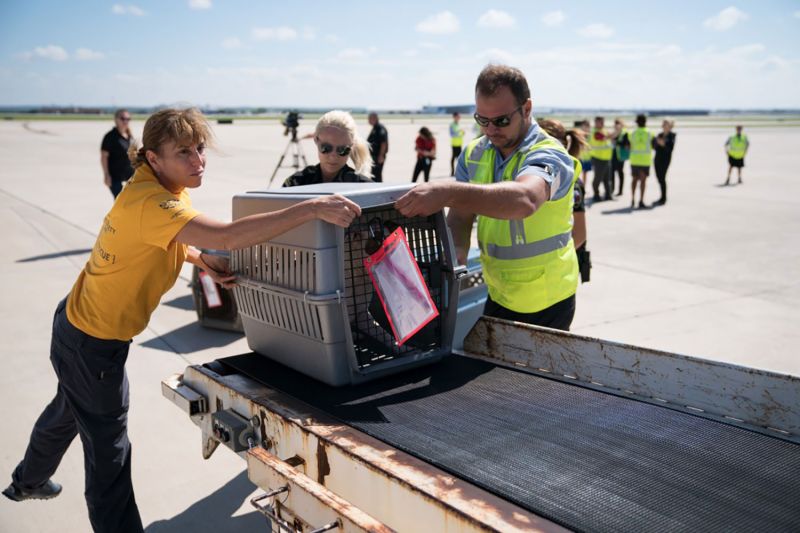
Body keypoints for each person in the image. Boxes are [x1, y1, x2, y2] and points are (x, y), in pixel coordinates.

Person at [3, 108, 360, 532]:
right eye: (184, 153)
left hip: (75, 327)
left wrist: (200, 259)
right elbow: (227, 235)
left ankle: (27, 480)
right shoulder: (155, 201)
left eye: (200, 149)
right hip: (93, 344)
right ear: (153, 157)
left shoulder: (153, 185)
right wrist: (312, 207)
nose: (198, 162)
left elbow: (165, 237)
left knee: (68, 408)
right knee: (110, 458)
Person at [395, 65, 578, 330]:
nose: (491, 130)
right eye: (482, 120)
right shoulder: (474, 154)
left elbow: (525, 199)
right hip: (499, 293)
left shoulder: (549, 154)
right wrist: (455, 256)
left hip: (548, 300)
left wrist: (447, 191)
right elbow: (460, 215)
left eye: (501, 120)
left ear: (526, 109)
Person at [538, 118, 591, 283]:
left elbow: (579, 235)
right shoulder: (540, 176)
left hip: (558, 271)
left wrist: (551, 261)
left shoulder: (571, 180)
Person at [282, 110, 373, 187]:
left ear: (352, 146)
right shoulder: (296, 183)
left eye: (342, 150)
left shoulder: (362, 187)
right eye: (326, 148)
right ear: (316, 140)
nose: (333, 156)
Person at [100, 109, 135, 199]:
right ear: (116, 120)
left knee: (132, 199)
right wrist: (106, 175)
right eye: (123, 118)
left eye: (128, 119)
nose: (125, 121)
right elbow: (104, 157)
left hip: (130, 174)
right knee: (120, 200)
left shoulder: (130, 136)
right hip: (114, 176)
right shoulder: (110, 137)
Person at [629, 114, 653, 209]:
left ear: (636, 122)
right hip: (645, 161)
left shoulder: (632, 133)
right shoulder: (649, 133)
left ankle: (632, 199)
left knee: (634, 180)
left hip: (634, 160)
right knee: (643, 181)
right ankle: (641, 201)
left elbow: (628, 146)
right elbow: (654, 145)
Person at [589, 116, 613, 201]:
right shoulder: (595, 132)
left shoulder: (604, 130)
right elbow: (608, 137)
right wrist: (618, 130)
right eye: (600, 122)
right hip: (598, 158)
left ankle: (608, 195)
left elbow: (609, 136)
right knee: (598, 178)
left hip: (606, 158)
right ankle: (596, 195)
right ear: (595, 123)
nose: (602, 124)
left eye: (603, 122)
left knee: (607, 178)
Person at [653, 118, 676, 205]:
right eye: (663, 124)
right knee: (659, 178)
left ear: (670, 126)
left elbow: (670, 149)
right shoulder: (660, 135)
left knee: (662, 178)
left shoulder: (672, 136)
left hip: (665, 160)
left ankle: (663, 198)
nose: (664, 125)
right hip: (657, 159)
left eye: (666, 124)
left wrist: (662, 144)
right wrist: (656, 143)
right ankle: (662, 196)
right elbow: (655, 147)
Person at [610, 118, 630, 196]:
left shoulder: (624, 133)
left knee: (620, 172)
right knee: (611, 173)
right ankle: (612, 189)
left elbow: (625, 144)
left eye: (618, 124)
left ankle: (620, 190)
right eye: (615, 124)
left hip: (621, 156)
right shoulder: (613, 133)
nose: (616, 126)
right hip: (613, 155)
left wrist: (617, 142)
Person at [367, 112, 388, 182]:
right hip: (374, 156)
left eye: (369, 119)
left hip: (378, 156)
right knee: (374, 174)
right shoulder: (375, 128)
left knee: (377, 175)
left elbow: (383, 142)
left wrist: (381, 155)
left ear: (375, 118)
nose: (368, 120)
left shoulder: (379, 128)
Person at [575, 119, 592, 187]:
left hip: (587, 157)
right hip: (579, 157)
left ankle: (583, 187)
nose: (585, 127)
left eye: (587, 126)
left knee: (585, 173)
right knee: (577, 173)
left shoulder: (590, 135)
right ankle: (577, 186)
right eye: (584, 126)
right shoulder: (578, 135)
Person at [449, 112, 465, 176]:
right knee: (455, 158)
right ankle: (453, 172)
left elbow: (459, 133)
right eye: (458, 116)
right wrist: (460, 134)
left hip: (459, 144)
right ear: (454, 117)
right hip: (454, 144)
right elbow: (452, 134)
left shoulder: (458, 124)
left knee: (458, 158)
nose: (459, 118)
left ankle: (456, 172)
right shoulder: (452, 125)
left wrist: (462, 133)